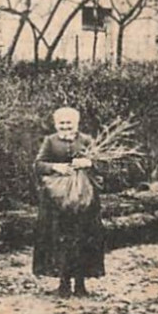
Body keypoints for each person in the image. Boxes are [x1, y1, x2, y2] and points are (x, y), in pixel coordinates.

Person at [33, 106, 106, 298]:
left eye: (69, 123)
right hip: (57, 203)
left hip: (84, 201)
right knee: (59, 240)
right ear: (56, 124)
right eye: (61, 123)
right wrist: (56, 167)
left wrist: (89, 163)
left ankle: (80, 285)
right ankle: (63, 284)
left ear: (77, 124)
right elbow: (38, 164)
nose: (65, 127)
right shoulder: (50, 141)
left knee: (82, 240)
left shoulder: (86, 140)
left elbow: (103, 165)